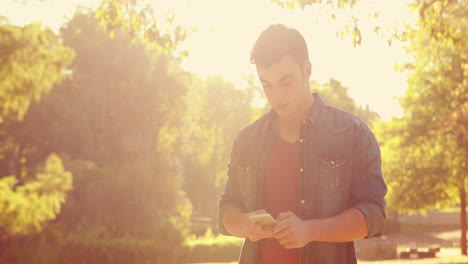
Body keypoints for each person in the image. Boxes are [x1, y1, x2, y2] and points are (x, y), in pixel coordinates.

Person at [217, 24, 387, 264]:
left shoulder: (352, 133)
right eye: (267, 84)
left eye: (286, 81)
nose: (276, 95)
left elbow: (374, 215)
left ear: (307, 70)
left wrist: (310, 230)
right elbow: (227, 210)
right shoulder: (247, 140)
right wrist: (244, 224)